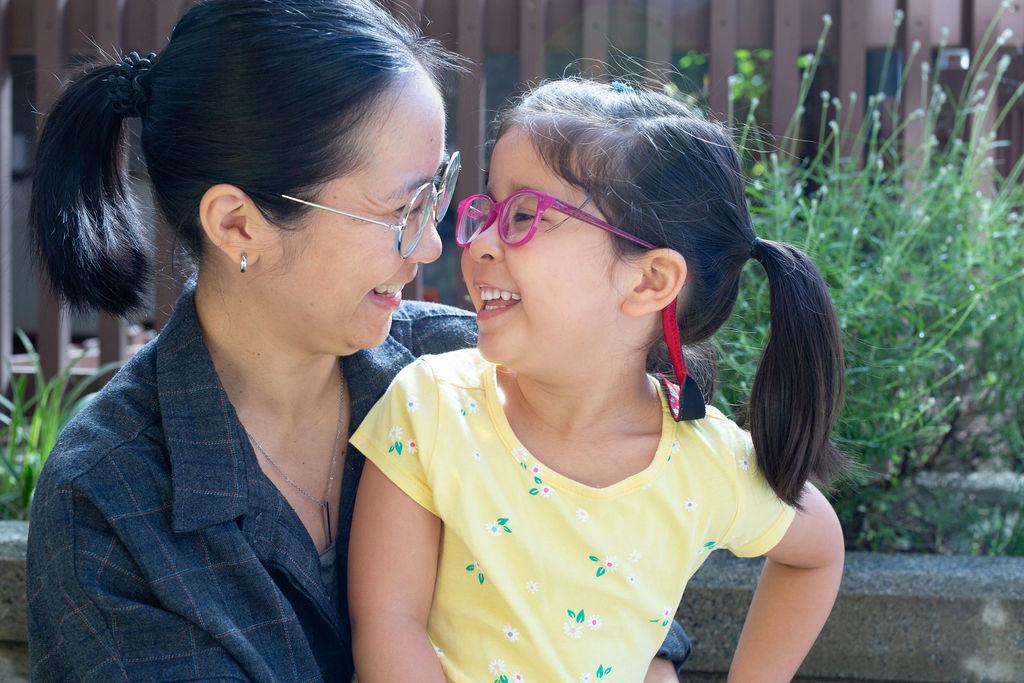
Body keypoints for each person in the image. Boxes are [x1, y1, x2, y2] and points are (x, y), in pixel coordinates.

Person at [25, 2, 691, 680]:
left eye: (437, 192)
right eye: (398, 210)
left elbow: (619, 593)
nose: (432, 242)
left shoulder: (467, 373)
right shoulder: (109, 503)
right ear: (238, 225)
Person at [348, 77, 848, 682]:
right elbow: (388, 622)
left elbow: (816, 555)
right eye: (490, 211)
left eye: (526, 216)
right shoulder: (432, 408)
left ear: (647, 282)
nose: (477, 243)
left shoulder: (706, 464)